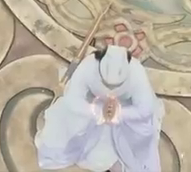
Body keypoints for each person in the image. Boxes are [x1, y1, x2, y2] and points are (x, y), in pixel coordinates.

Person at [36, 45, 165, 171]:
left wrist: (119, 113)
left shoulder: (136, 71)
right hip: (93, 105)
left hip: (124, 110)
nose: (111, 89)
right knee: (70, 126)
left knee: (142, 133)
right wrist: (96, 112)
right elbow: (73, 99)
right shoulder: (89, 65)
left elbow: (145, 108)